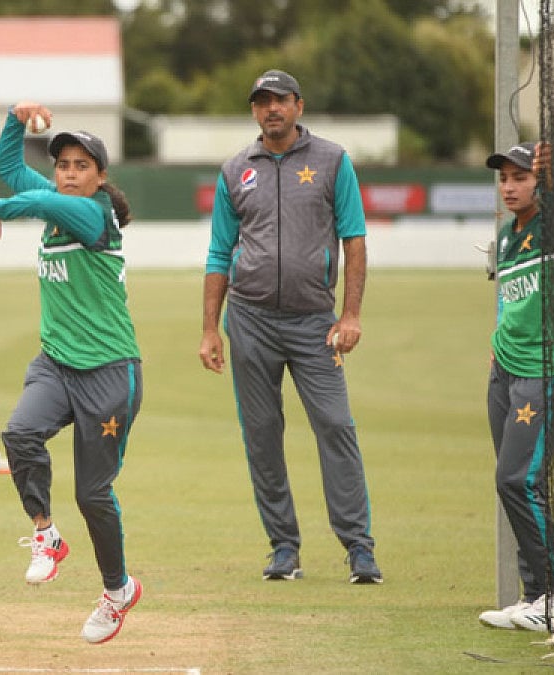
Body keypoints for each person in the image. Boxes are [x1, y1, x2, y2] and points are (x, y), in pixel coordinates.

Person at [197, 69, 382, 584]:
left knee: (336, 426)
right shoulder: (236, 169)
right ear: (254, 110)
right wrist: (211, 329)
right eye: (261, 102)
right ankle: (283, 547)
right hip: (251, 321)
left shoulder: (332, 161)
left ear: (299, 104)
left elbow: (355, 239)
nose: (270, 109)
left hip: (314, 322)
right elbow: (218, 252)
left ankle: (359, 548)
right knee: (261, 434)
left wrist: (351, 314)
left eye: (279, 100)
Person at [0, 101, 143, 644]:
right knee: (19, 434)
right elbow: (9, 167)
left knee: (93, 495)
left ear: (99, 177)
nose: (69, 173)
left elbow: (23, 195)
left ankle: (118, 591)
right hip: (56, 362)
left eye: (80, 166)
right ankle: (46, 536)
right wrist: (14, 117)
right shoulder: (59, 203)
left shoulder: (93, 213)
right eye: (63, 165)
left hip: (109, 372)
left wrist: (1, 209)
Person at [477, 142, 554, 632]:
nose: (510, 187)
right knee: (514, 483)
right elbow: (508, 301)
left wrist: (553, 185)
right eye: (504, 179)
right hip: (507, 371)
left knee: (517, 480)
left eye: (520, 177)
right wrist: (497, 347)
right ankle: (535, 594)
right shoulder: (504, 236)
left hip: (546, 369)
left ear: (539, 181)